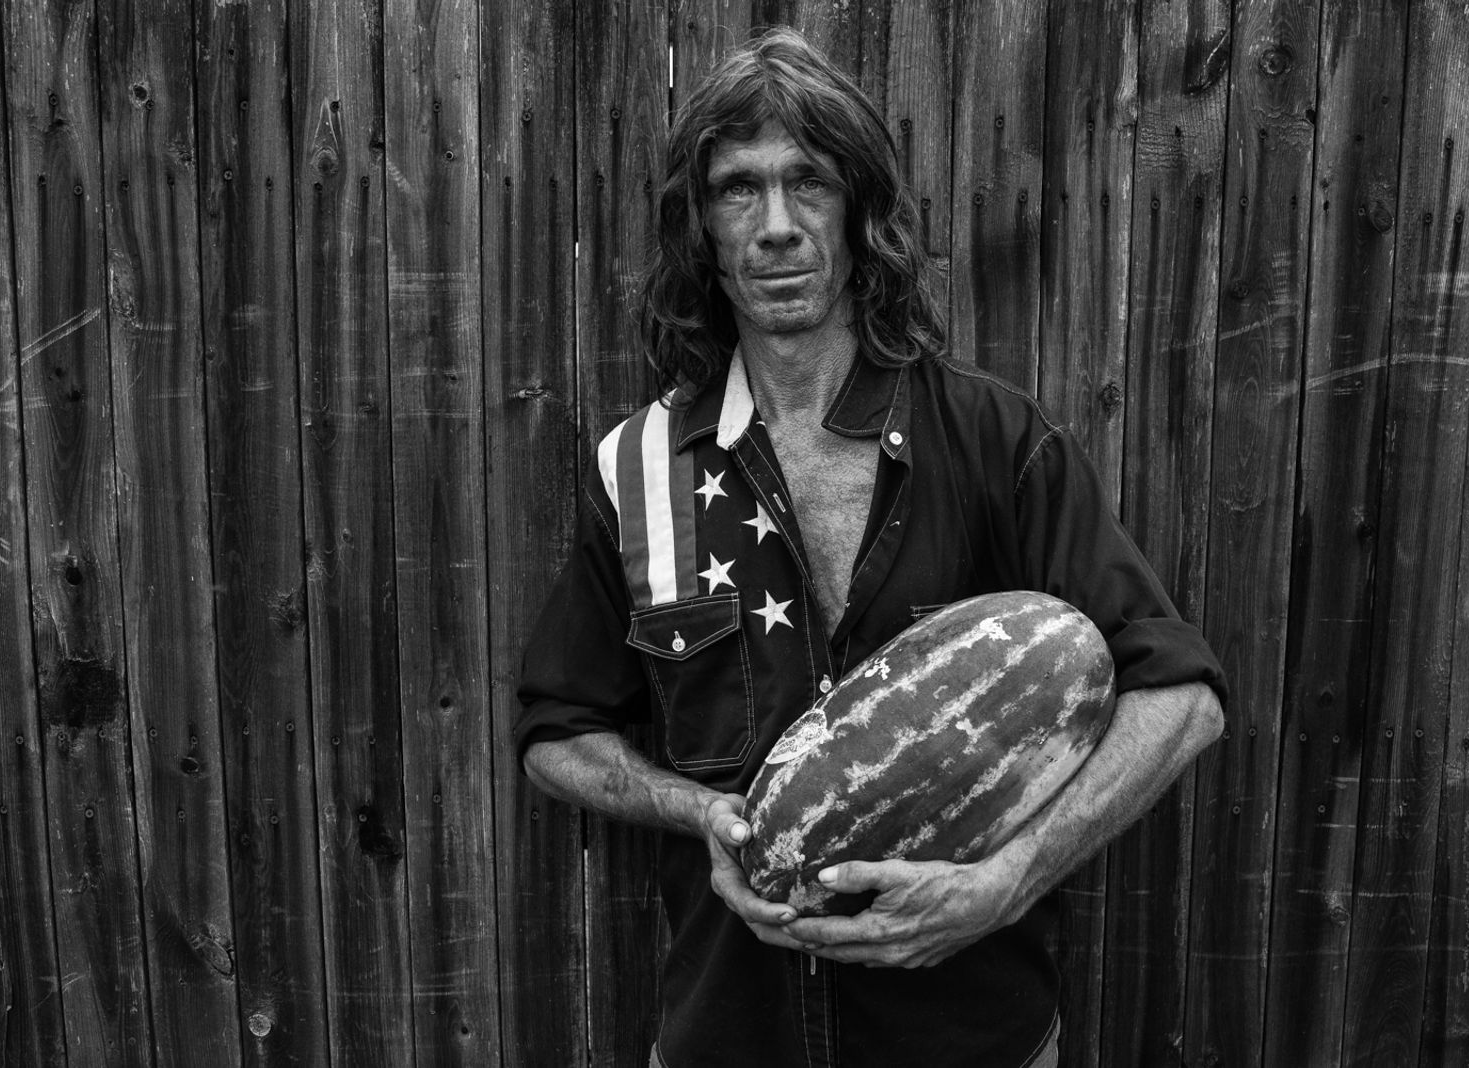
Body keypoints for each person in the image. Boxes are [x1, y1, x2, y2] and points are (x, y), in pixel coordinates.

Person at [515, 27, 1226, 1068]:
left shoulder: (993, 441)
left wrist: (1007, 880)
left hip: (968, 1038)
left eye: (809, 182)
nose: (774, 228)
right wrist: (695, 809)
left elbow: (1184, 698)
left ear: (858, 212)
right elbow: (555, 731)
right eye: (735, 189)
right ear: (699, 227)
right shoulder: (641, 469)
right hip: (729, 1036)